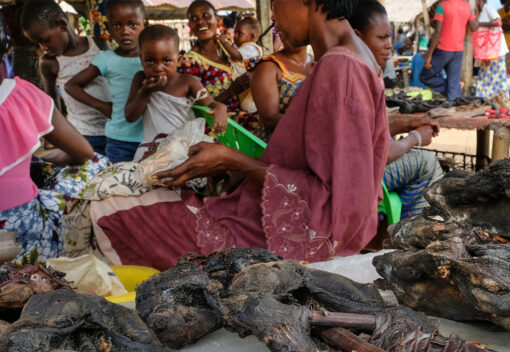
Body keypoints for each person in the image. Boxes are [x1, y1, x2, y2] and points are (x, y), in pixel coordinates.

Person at [89, 0, 391, 269]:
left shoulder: (341, 68)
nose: (275, 20)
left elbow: (337, 205)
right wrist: (235, 166)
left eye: (275, 5)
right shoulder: (350, 59)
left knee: (110, 210)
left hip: (294, 238)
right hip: (275, 217)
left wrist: (232, 158)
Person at [0, 0, 107, 263]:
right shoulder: (19, 95)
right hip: (24, 237)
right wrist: (53, 157)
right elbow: (83, 152)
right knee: (97, 163)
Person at [350, 0, 443, 218]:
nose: (389, 45)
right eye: (381, 38)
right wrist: (415, 137)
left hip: (364, 168)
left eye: (389, 37)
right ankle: (412, 230)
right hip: (356, 177)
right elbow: (383, 152)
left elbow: (374, 131)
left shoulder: (369, 72)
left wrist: (411, 123)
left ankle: (406, 226)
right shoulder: (355, 75)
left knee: (423, 168)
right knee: (426, 163)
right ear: (358, 36)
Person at [125, 25, 228, 161]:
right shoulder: (140, 79)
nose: (158, 67)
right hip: (151, 152)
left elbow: (211, 104)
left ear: (178, 59)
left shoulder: (187, 82)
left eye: (166, 61)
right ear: (141, 59)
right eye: (150, 60)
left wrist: (221, 107)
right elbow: (130, 116)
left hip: (183, 151)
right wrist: (145, 92)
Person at [21, 0, 111, 156]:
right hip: (82, 135)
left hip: (113, 129)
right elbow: (52, 100)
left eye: (45, 40)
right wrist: (57, 136)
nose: (43, 48)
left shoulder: (99, 45)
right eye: (38, 44)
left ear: (62, 25)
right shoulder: (49, 62)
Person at [65, 0, 146, 163]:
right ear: (109, 29)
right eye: (117, 25)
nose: (125, 31)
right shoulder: (107, 59)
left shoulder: (154, 59)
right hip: (119, 141)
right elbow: (71, 86)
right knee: (120, 185)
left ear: (145, 24)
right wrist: (102, 106)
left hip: (150, 138)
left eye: (132, 24)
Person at [178, 0, 246, 115]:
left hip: (244, 115)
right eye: (194, 19)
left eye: (206, 16)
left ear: (217, 20)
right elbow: (195, 110)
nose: (200, 21)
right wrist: (232, 90)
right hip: (219, 126)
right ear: (190, 26)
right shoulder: (189, 62)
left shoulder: (228, 47)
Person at [244, 32, 312, 141]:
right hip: (275, 144)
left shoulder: (318, 63)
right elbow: (269, 119)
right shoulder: (268, 67)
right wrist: (314, 127)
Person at [421, 0, 479, 101]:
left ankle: (453, 90)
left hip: (444, 50)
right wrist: (476, 12)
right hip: (459, 51)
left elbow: (437, 32)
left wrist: (429, 55)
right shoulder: (468, 7)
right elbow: (474, 27)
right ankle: (453, 92)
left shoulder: (442, 6)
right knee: (453, 85)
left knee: (425, 76)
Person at [473, 0, 508, 100]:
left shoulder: (488, 7)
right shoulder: (481, 12)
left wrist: (479, 24)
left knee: (496, 78)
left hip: (496, 50)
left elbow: (498, 22)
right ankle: (486, 99)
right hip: (488, 52)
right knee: (485, 76)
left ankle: (500, 99)